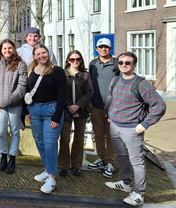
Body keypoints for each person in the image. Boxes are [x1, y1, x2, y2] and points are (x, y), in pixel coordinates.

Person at [104, 52, 166, 206]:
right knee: (121, 156)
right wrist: (108, 114)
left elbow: (159, 105)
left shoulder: (140, 83)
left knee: (137, 161)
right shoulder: (115, 80)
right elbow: (111, 99)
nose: (124, 65)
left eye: (128, 63)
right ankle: (125, 183)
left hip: (132, 129)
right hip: (115, 126)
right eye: (121, 62)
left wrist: (145, 124)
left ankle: (139, 194)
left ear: (134, 65)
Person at [26, 44, 65, 194]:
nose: (42, 56)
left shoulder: (57, 71)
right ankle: (48, 169)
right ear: (34, 56)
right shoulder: (31, 70)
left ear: (48, 54)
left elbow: (62, 94)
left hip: (51, 110)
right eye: (38, 54)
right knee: (39, 141)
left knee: (50, 143)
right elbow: (27, 90)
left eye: (44, 53)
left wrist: (57, 115)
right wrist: (27, 110)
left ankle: (51, 177)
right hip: (34, 110)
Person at [0, 39, 27, 174]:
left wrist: (9, 100)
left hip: (15, 104)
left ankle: (13, 159)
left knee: (15, 132)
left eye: (10, 48)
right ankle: (3, 157)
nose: (7, 51)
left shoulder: (20, 65)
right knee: (1, 132)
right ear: (1, 50)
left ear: (14, 49)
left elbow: (22, 87)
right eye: (5, 48)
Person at [58, 50, 93, 177]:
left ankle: (76, 165)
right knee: (65, 139)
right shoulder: (63, 74)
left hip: (81, 111)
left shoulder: (86, 75)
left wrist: (78, 106)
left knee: (79, 139)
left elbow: (89, 92)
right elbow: (60, 91)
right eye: (72, 59)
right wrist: (70, 107)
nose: (75, 61)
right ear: (68, 60)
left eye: (78, 59)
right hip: (65, 110)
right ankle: (63, 165)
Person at [87, 37, 119, 178]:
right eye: (101, 47)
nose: (103, 49)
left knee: (111, 136)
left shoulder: (117, 63)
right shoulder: (93, 64)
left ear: (110, 49)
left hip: (113, 107)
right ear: (97, 49)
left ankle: (110, 162)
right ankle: (101, 158)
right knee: (98, 134)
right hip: (96, 106)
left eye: (106, 47)